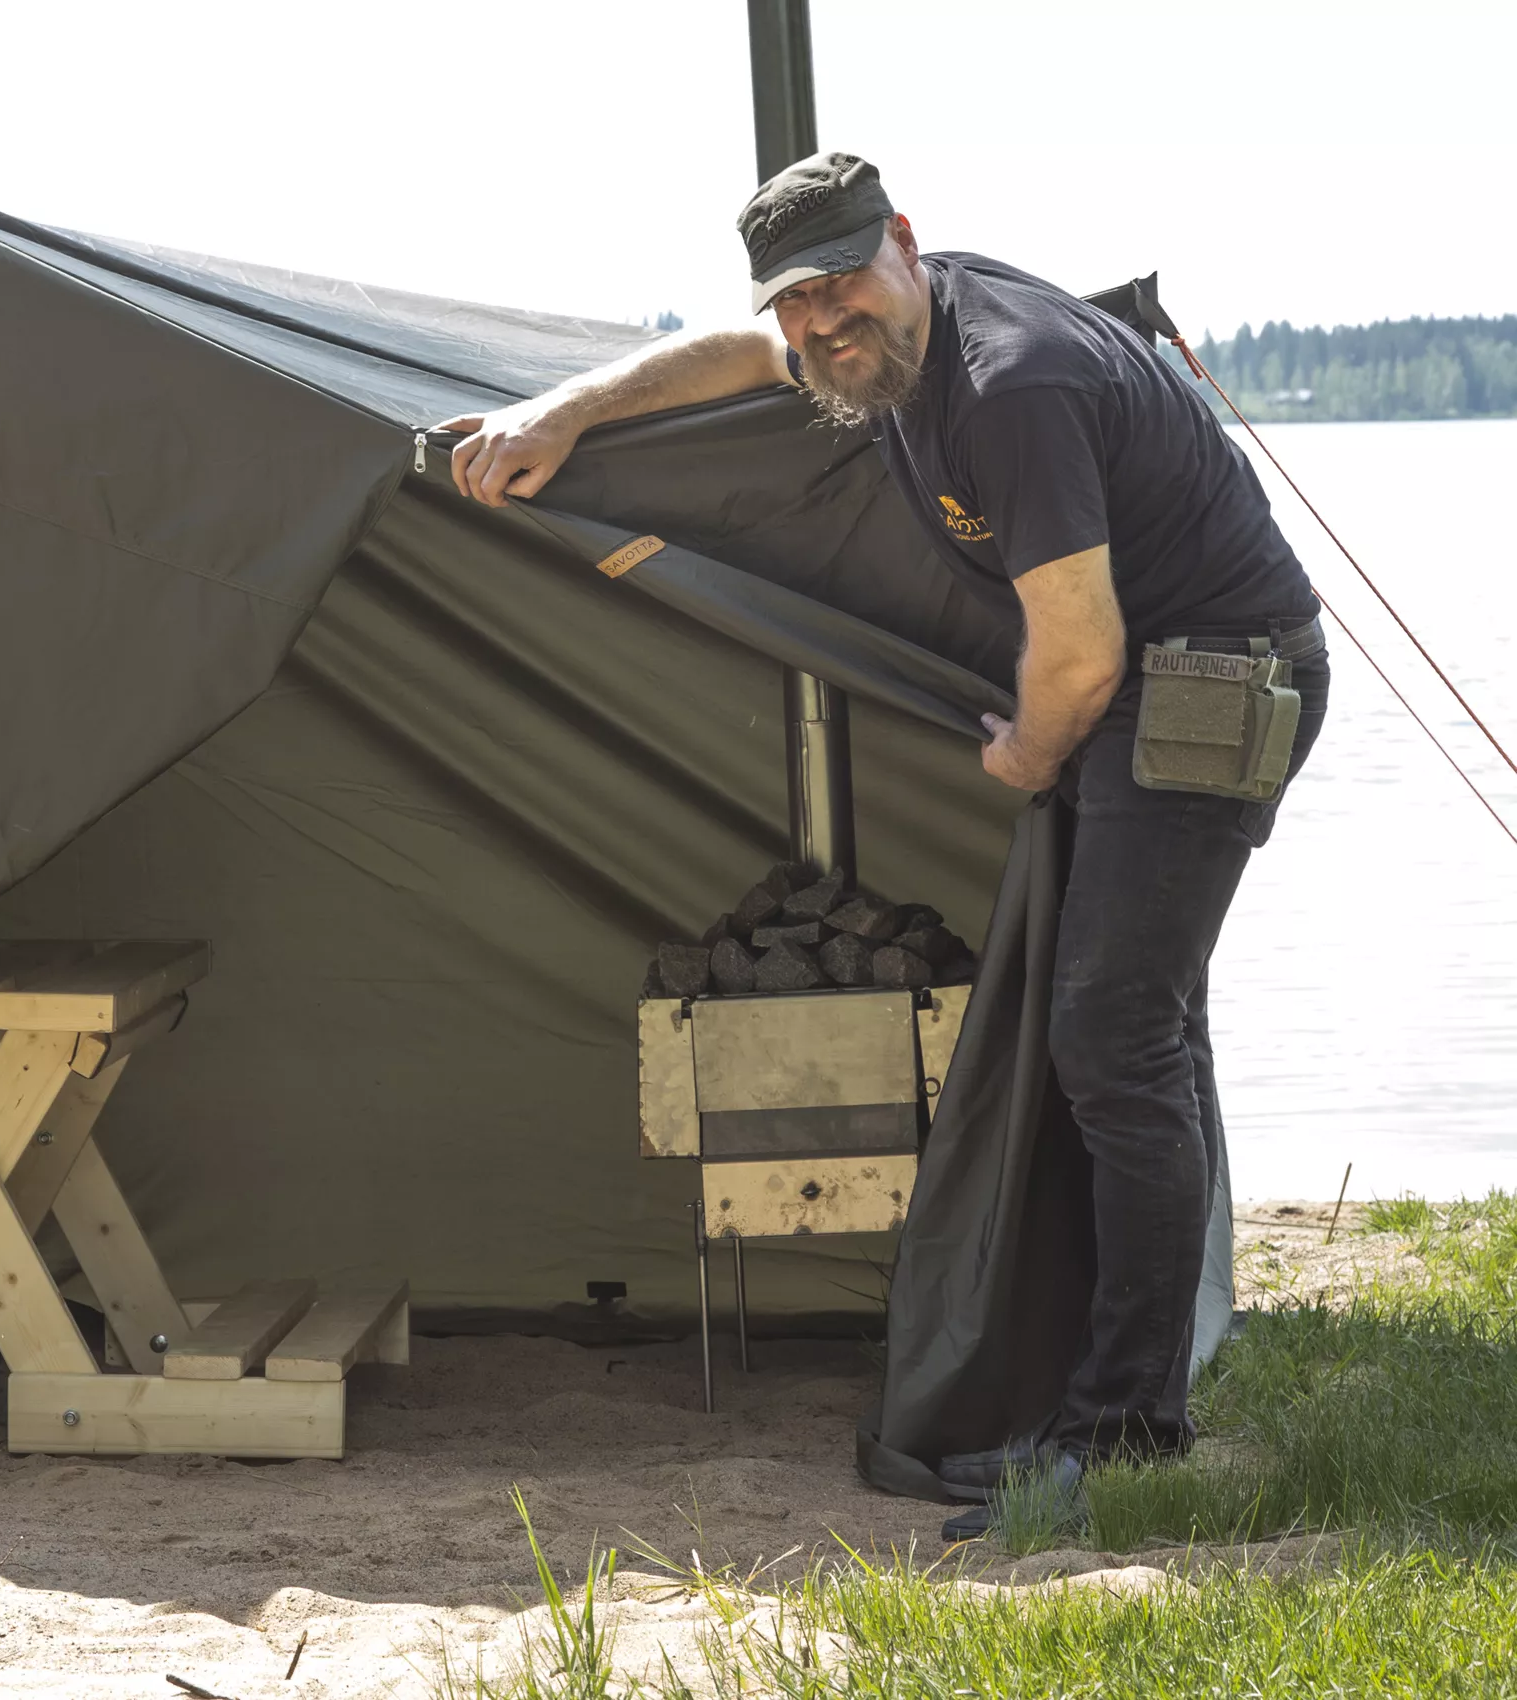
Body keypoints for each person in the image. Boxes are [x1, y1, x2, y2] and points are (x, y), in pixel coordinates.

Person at [437, 152, 1330, 1540]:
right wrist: (568, 411)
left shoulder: (1010, 381)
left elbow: (1083, 658)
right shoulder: (861, 347)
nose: (825, 322)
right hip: (1143, 671)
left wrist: (1030, 753)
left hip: (1213, 673)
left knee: (1109, 1034)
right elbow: (742, 352)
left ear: (906, 245)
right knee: (1126, 1024)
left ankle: (1132, 1435)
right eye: (800, 301)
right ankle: (1132, 1376)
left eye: (847, 282)